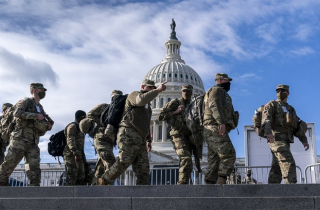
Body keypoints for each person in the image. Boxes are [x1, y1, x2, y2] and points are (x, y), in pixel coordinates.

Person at [98, 80, 166, 185]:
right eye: (150, 88)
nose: (151, 90)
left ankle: (142, 193)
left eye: (153, 88)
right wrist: (157, 90)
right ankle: (104, 180)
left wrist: (148, 140)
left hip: (141, 138)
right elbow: (140, 100)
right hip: (128, 133)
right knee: (124, 161)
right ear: (143, 86)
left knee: (143, 169)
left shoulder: (148, 107)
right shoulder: (134, 95)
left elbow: (146, 123)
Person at [0, 83, 53, 186]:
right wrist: (36, 115)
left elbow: (39, 126)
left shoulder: (40, 107)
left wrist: (47, 126)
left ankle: (35, 191)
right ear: (34, 90)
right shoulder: (25, 101)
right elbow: (17, 113)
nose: (43, 92)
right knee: (9, 164)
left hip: (33, 142)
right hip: (20, 139)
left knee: (34, 168)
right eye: (41, 90)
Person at [262, 84, 309, 184]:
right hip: (276, 139)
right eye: (277, 91)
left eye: (282, 91)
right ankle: (291, 189)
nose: (279, 93)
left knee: (277, 168)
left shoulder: (290, 109)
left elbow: (296, 126)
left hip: (286, 140)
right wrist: (268, 133)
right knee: (288, 162)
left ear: (287, 93)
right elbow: (266, 119)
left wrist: (304, 141)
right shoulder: (272, 104)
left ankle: (271, 191)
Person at [202, 73, 237, 184]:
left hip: (212, 128)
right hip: (214, 127)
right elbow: (214, 106)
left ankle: (210, 186)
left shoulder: (222, 93)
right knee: (229, 153)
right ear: (220, 81)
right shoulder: (216, 90)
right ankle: (222, 183)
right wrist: (221, 123)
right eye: (227, 81)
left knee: (214, 159)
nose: (229, 83)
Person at [158, 84, 193, 184]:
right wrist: (176, 111)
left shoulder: (193, 105)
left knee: (188, 161)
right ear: (181, 92)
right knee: (185, 157)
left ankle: (185, 182)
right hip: (177, 134)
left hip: (189, 136)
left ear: (191, 92)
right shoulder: (175, 102)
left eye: (188, 91)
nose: (186, 93)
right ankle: (182, 185)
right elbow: (160, 116)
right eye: (184, 91)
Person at [87, 90, 122, 184]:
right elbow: (90, 114)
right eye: (114, 97)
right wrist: (103, 124)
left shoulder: (119, 111)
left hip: (110, 141)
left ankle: (96, 188)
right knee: (111, 162)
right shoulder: (104, 106)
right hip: (101, 138)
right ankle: (107, 188)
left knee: (100, 168)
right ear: (111, 97)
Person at [63, 110, 86, 185]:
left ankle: (77, 195)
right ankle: (68, 195)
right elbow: (70, 140)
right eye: (83, 117)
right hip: (71, 155)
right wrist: (75, 153)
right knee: (71, 177)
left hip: (79, 155)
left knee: (81, 176)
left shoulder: (81, 128)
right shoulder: (72, 126)